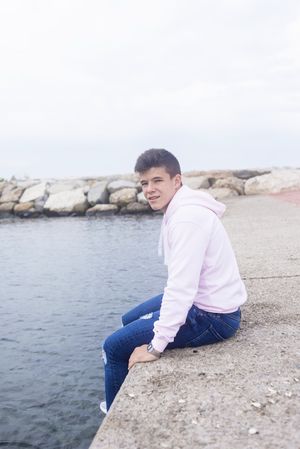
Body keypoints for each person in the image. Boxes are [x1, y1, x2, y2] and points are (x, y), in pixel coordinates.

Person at [100, 149, 247, 414]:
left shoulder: (187, 219)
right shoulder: (181, 209)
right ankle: (121, 388)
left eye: (157, 181)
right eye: (144, 183)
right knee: (127, 319)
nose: (149, 189)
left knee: (113, 346)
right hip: (208, 302)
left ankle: (115, 414)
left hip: (212, 316)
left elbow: (181, 289)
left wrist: (156, 347)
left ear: (176, 181)